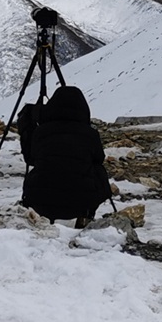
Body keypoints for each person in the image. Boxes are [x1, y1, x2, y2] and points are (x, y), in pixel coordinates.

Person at [17, 83, 112, 226]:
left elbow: (31, 159)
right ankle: (85, 215)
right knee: (98, 169)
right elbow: (99, 159)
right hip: (81, 202)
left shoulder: (41, 132)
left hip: (40, 200)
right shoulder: (90, 134)